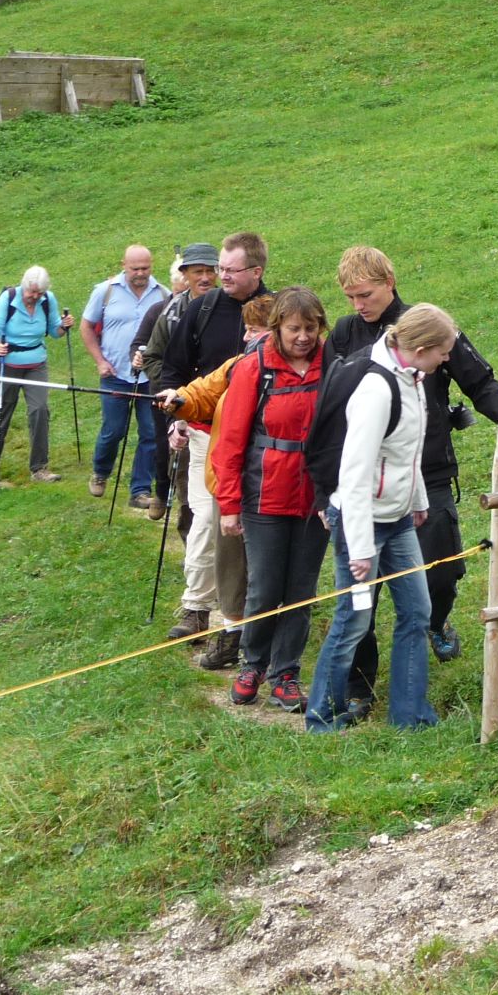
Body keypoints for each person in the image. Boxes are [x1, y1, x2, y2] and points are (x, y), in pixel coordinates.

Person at [326, 245, 498, 703]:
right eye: (350, 297)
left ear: (389, 283)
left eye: (365, 294)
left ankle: (437, 622)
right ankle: (359, 687)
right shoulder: (344, 335)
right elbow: (329, 402)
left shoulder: (428, 325)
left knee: (440, 574)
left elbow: (480, 382)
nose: (358, 305)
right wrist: (327, 488)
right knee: (363, 597)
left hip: (428, 471)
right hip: (365, 480)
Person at [306, 303, 457, 732]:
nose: (447, 358)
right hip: (362, 523)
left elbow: (408, 451)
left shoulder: (415, 379)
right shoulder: (376, 389)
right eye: (443, 351)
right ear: (421, 349)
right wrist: (358, 546)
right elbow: (354, 473)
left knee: (418, 611)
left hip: (400, 519)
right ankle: (322, 717)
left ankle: (410, 716)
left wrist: (419, 500)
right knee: (353, 619)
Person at [211, 287, 332, 710]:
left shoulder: (332, 364)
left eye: (311, 328)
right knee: (264, 587)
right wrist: (229, 505)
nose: (303, 337)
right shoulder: (254, 368)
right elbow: (230, 442)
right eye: (294, 328)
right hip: (264, 496)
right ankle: (253, 665)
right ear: (277, 327)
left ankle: (286, 674)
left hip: (315, 498)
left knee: (301, 590)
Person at [159, 232, 273, 667]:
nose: (220, 276)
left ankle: (250, 619)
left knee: (249, 532)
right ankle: (196, 607)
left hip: (261, 444)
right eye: (219, 268)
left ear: (256, 271)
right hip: (207, 433)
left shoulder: (280, 311)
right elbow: (174, 369)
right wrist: (177, 417)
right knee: (207, 519)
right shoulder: (201, 308)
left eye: (230, 269)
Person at [135, 242, 220, 526]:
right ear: (185, 274)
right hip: (183, 412)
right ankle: (191, 542)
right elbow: (152, 357)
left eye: (210, 270)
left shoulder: (230, 307)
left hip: (220, 410)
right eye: (198, 271)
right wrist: (177, 392)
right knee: (187, 486)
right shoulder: (171, 312)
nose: (205, 277)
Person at [81, 245, 168, 508]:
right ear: (124, 265)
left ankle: (139, 490)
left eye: (145, 268)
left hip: (149, 378)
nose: (140, 273)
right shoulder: (105, 291)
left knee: (151, 433)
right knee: (113, 431)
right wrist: (100, 361)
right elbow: (86, 326)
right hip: (115, 374)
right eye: (135, 269)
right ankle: (101, 471)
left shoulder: (162, 294)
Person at [0, 266, 75, 482]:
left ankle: (39, 468)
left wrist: (64, 326)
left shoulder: (48, 299)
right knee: (2, 410)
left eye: (40, 292)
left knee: (40, 410)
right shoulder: (9, 298)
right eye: (32, 291)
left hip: (35, 364)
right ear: (24, 286)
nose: (35, 296)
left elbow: (54, 331)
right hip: (7, 362)